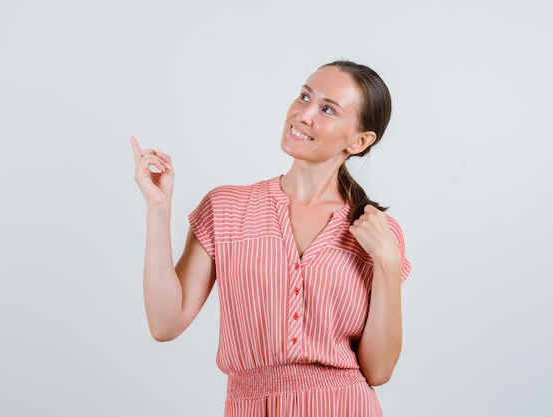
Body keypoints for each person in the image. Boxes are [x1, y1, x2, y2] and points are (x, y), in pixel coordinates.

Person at [130, 60, 412, 417]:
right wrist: (158, 209)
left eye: (327, 109)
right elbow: (165, 323)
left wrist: (387, 262)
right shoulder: (226, 208)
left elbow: (379, 370)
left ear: (360, 140)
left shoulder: (378, 233)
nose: (303, 114)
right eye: (304, 96)